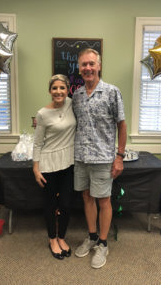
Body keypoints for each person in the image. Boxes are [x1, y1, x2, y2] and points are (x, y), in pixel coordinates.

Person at [72, 48, 127, 269]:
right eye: (84, 64)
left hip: (104, 157)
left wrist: (120, 156)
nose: (87, 68)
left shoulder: (112, 92)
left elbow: (121, 125)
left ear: (99, 66)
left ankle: (103, 243)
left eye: (91, 64)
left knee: (104, 200)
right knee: (87, 197)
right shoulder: (75, 95)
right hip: (81, 157)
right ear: (79, 68)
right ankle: (92, 236)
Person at [33, 74, 76, 260]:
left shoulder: (73, 105)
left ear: (68, 90)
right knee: (51, 205)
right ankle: (52, 239)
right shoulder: (43, 113)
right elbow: (37, 143)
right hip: (48, 163)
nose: (58, 91)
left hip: (68, 162)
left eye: (62, 88)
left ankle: (62, 237)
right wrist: (35, 168)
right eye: (54, 88)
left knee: (66, 204)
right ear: (50, 91)